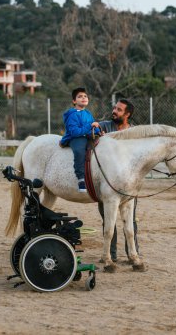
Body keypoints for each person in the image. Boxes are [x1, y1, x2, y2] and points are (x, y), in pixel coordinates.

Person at [98, 99, 139, 262]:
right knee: (109, 221)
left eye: (119, 109)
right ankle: (112, 255)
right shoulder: (105, 126)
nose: (114, 111)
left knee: (131, 221)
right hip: (107, 183)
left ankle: (132, 253)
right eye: (114, 108)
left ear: (127, 114)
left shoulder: (135, 132)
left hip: (128, 185)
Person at [59, 87, 100, 193]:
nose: (83, 98)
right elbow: (75, 132)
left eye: (85, 96)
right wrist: (89, 126)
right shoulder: (72, 114)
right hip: (75, 138)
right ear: (74, 101)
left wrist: (97, 131)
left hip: (86, 136)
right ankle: (81, 179)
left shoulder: (88, 113)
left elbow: (92, 128)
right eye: (80, 96)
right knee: (79, 151)